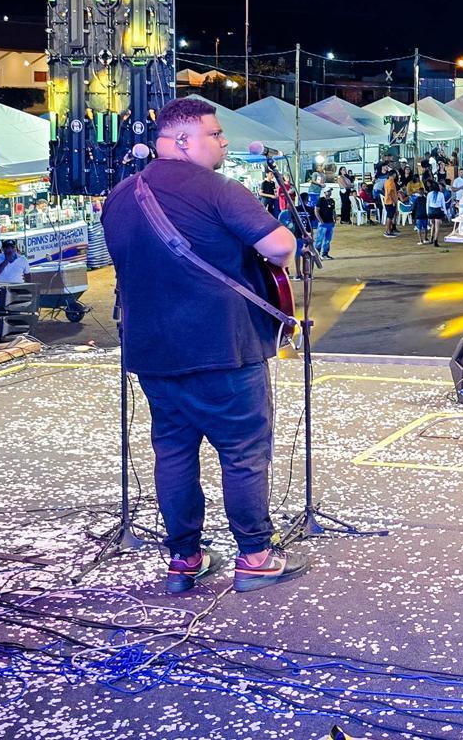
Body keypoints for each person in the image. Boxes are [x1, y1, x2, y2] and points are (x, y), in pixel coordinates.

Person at [100, 97, 309, 594]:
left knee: (173, 452)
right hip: (223, 349)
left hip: (154, 353)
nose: (224, 142)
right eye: (215, 134)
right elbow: (281, 247)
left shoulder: (120, 196)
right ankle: (255, 555)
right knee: (242, 451)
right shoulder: (219, 189)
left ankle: (184, 558)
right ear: (182, 141)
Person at [314, 188, 336, 259]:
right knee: (319, 240)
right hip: (323, 223)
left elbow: (333, 210)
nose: (329, 192)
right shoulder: (321, 200)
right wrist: (320, 220)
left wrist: (334, 219)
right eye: (328, 191)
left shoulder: (332, 201)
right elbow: (316, 210)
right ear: (324, 192)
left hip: (330, 222)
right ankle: (317, 254)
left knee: (328, 240)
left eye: (330, 191)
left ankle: (325, 254)